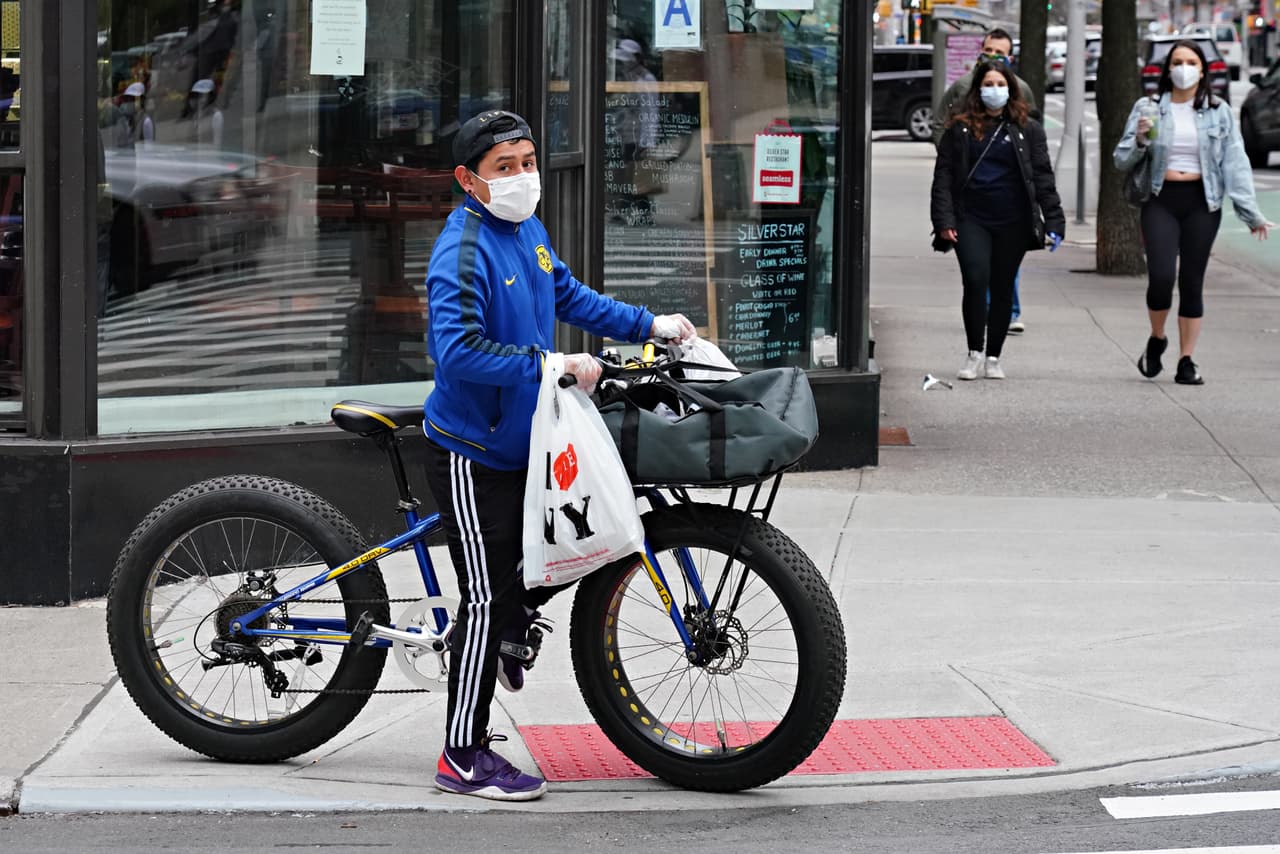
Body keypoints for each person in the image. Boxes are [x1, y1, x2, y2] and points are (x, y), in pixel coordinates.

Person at [422, 110, 695, 801]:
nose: (522, 177)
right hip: (473, 450)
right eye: (503, 168)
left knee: (568, 543)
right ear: (468, 180)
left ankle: (511, 630)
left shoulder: (527, 231)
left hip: (530, 439)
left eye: (527, 161)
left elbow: (565, 292)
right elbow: (456, 352)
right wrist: (551, 365)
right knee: (485, 599)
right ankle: (460, 755)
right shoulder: (463, 250)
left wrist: (649, 324)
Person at [1113, 40, 1274, 386]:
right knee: (1160, 277)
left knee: (1191, 281)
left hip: (1202, 202)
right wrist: (1140, 141)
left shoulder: (1218, 111)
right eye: (1176, 62)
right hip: (1161, 199)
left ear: (1202, 70)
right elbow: (1121, 160)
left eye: (1190, 62)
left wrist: (1250, 213)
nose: (1182, 68)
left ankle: (1187, 360)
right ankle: (1157, 338)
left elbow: (1235, 163)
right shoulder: (1149, 106)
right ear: (1166, 69)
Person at [931, 61, 1065, 381]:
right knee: (976, 279)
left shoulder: (1028, 129)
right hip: (970, 218)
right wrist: (943, 220)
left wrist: (1055, 221)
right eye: (988, 84)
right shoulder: (959, 128)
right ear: (977, 90)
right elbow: (944, 178)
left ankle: (994, 356)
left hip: (1013, 221)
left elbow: (1042, 177)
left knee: (1002, 286)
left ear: (1011, 89)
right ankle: (974, 351)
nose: (994, 90)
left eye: (1000, 84)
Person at [932, 27, 1037, 335]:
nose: (992, 57)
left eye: (999, 53)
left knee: (1005, 264)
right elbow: (941, 122)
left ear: (1010, 57)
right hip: (970, 194)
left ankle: (1007, 309)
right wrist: (951, 157)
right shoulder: (961, 87)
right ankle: (982, 310)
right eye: (988, 51)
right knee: (977, 268)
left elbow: (1032, 134)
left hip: (1007, 197)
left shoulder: (1023, 90)